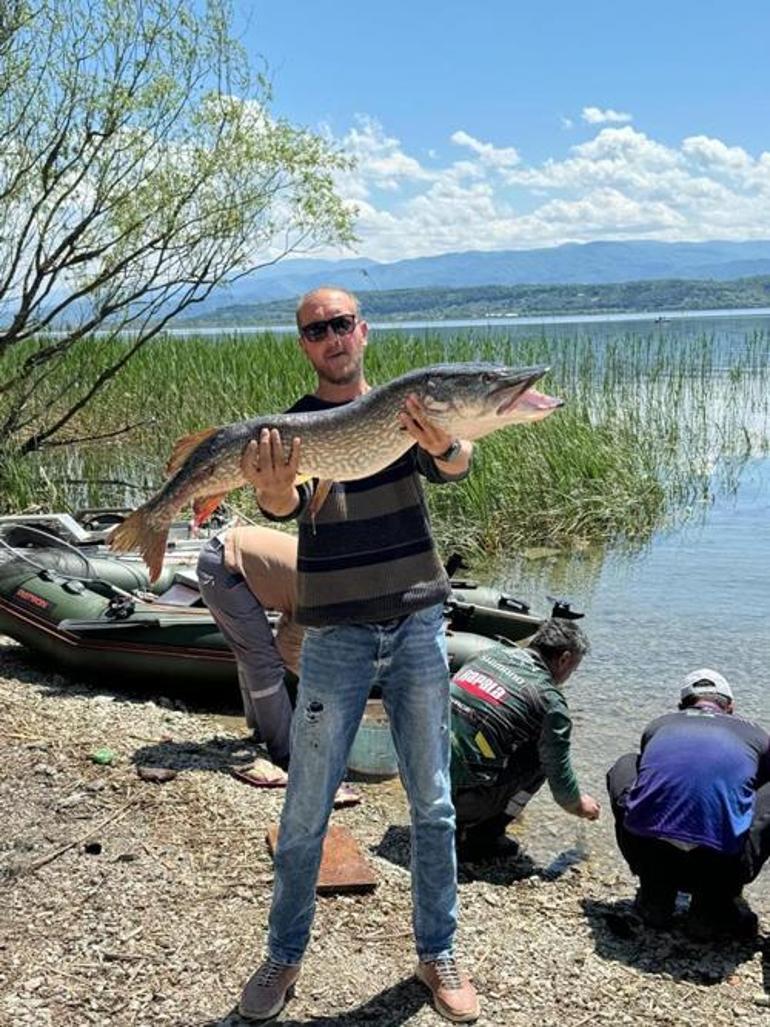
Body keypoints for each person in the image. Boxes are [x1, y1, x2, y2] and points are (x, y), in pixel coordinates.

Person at [237, 286, 481, 1023]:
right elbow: (281, 506)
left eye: (342, 324)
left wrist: (447, 445)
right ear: (305, 345)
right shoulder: (293, 428)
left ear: (364, 333)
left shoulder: (409, 406)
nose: (332, 337)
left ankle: (437, 951)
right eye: (317, 330)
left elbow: (457, 461)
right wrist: (275, 492)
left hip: (416, 624)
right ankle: (283, 957)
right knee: (306, 805)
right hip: (335, 636)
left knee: (433, 802)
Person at [607, 669, 770, 939]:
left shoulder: (659, 724)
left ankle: (655, 896)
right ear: (730, 707)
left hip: (649, 855)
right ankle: (713, 906)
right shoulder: (756, 734)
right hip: (721, 866)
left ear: (682, 706)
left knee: (627, 763)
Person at [450, 618, 601, 862]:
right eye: (574, 668)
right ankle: (483, 836)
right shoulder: (549, 702)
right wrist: (580, 806)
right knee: (540, 759)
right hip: (456, 798)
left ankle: (458, 814)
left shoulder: (486, 656)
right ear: (564, 659)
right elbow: (560, 782)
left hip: (417, 778)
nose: (570, 675)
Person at [196, 524, 301, 770]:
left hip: (226, 551)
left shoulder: (332, 586)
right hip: (223, 566)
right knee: (263, 662)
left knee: (252, 653)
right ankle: (285, 754)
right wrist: (319, 683)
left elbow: (290, 622)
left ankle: (261, 731)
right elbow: (287, 650)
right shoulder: (324, 603)